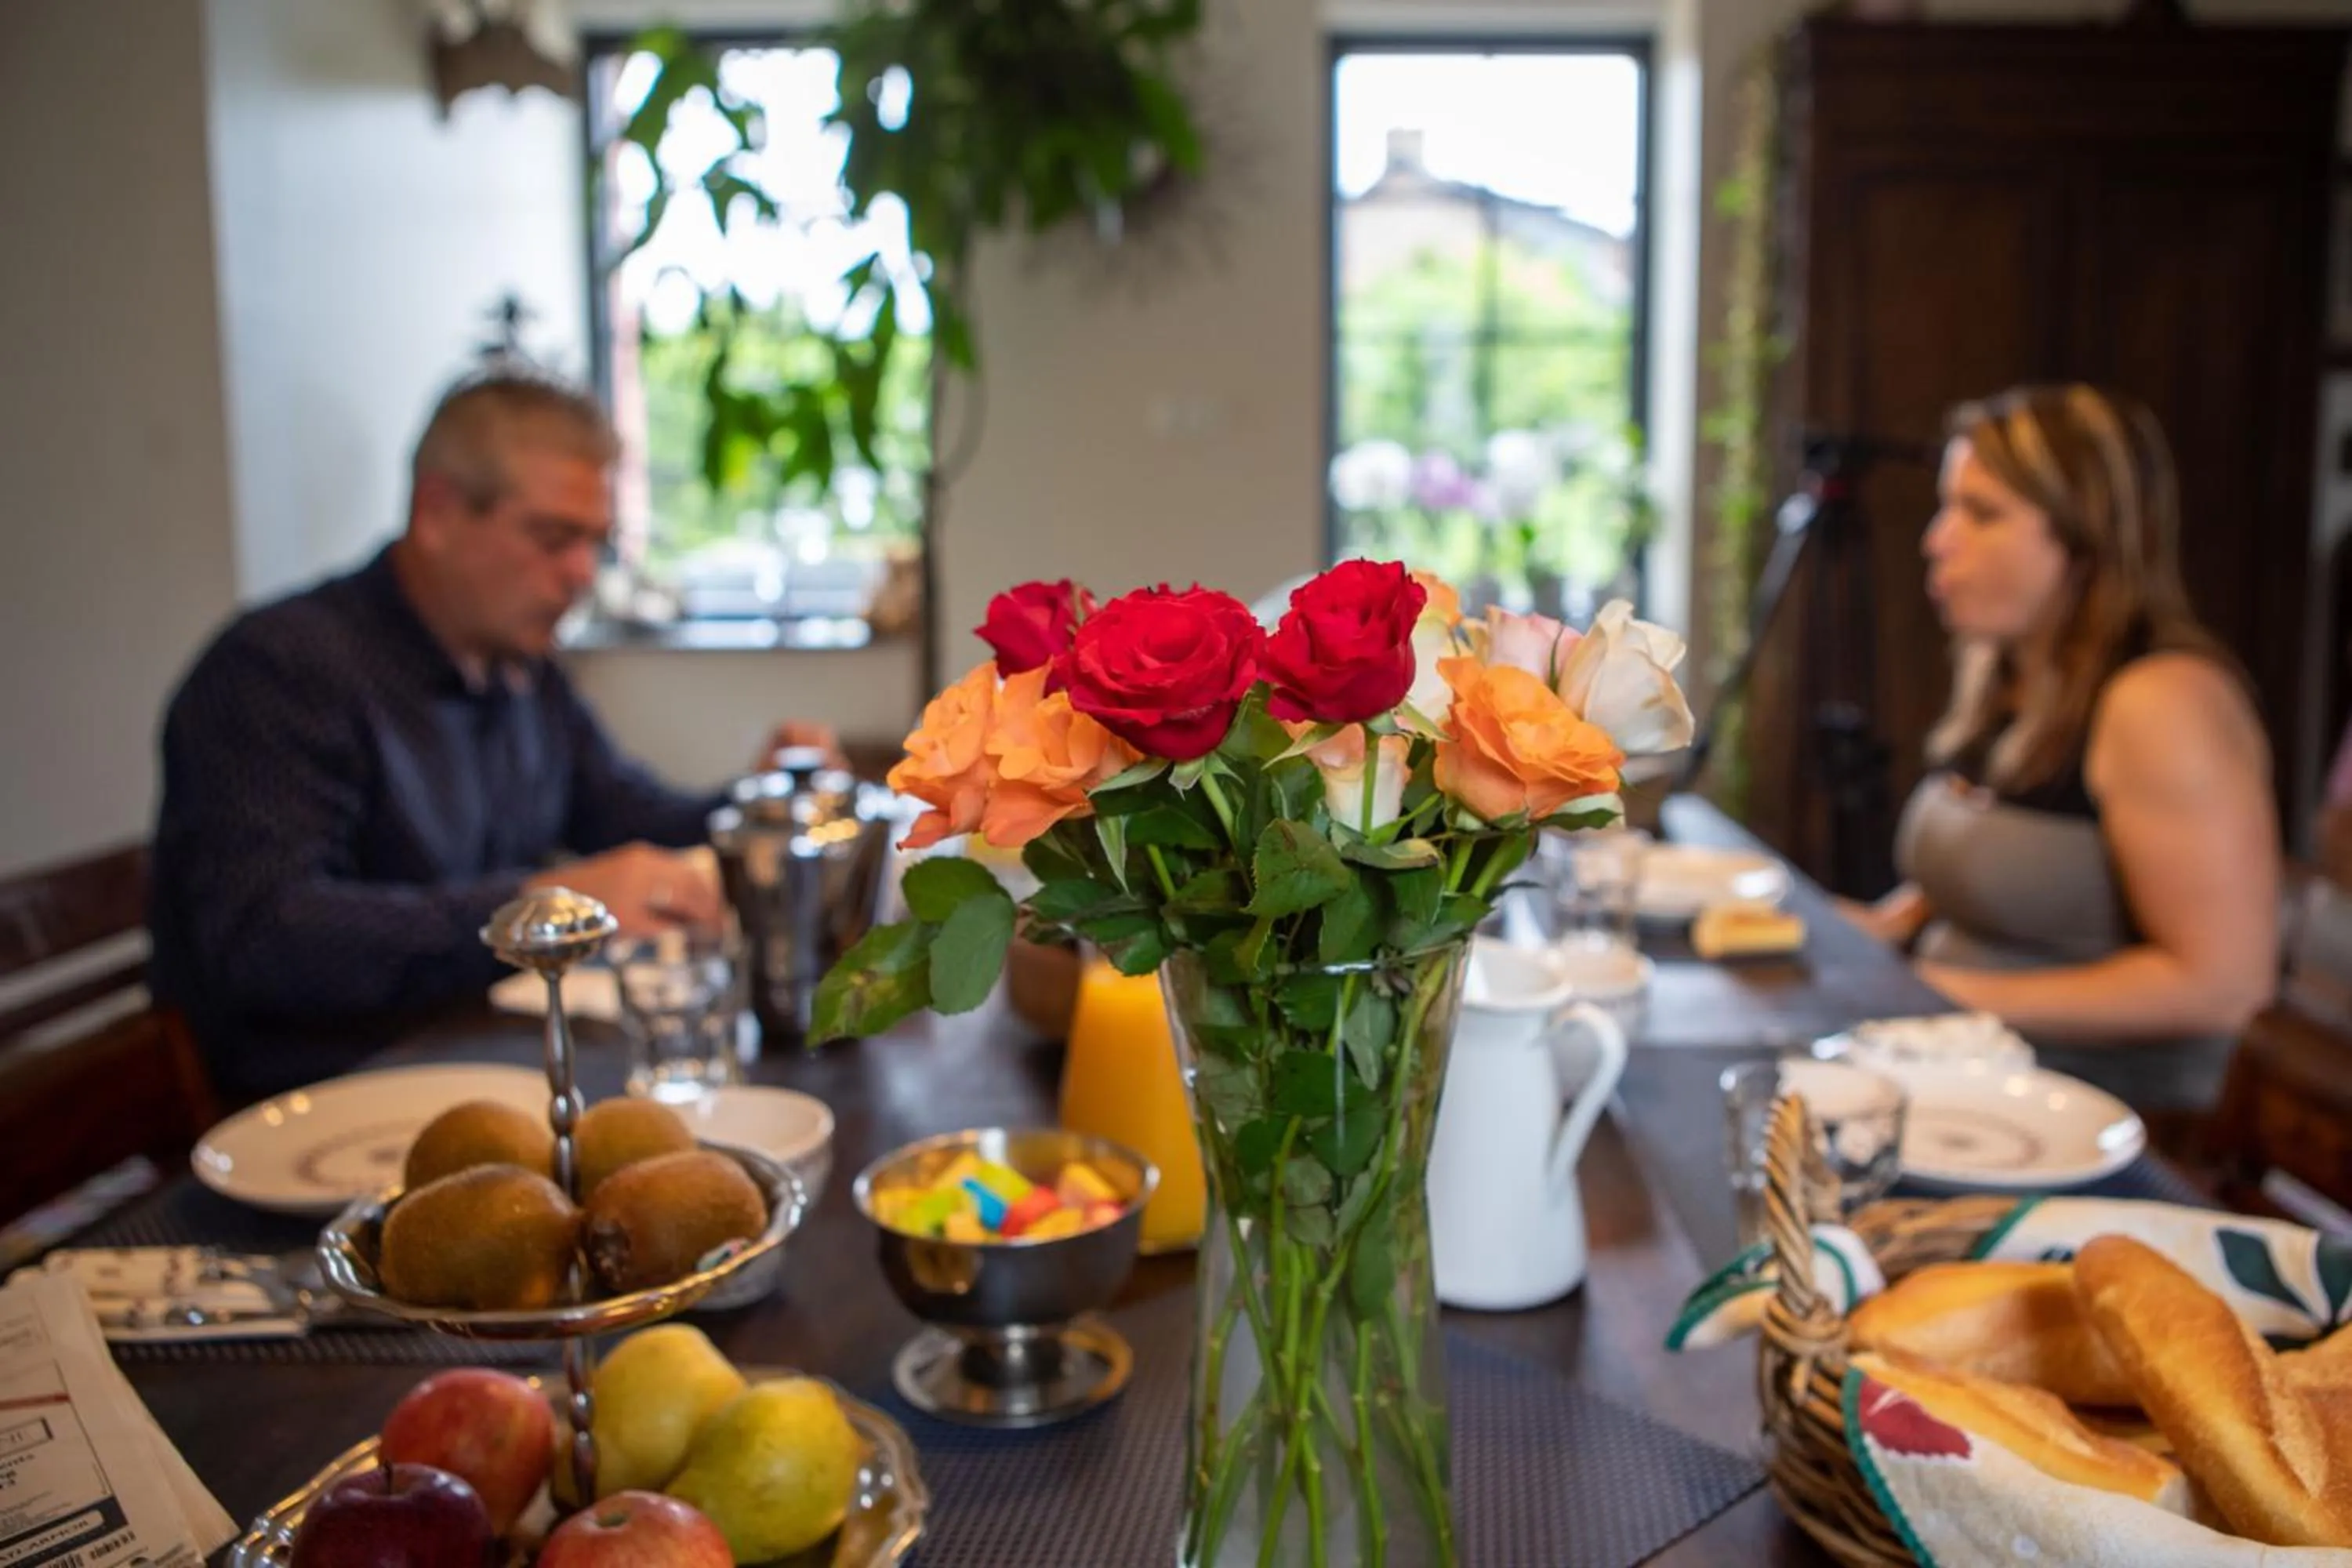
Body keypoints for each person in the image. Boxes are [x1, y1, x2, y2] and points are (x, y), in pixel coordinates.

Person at [150, 368, 827, 1102]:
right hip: (331, 1105)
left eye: (595, 543)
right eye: (552, 537)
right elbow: (267, 936)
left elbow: (630, 815)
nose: (580, 574)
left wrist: (764, 803)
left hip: (489, 1069)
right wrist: (534, 908)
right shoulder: (280, 671)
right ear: (437, 512)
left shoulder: (521, 669)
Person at [1842, 383, 2279, 1112]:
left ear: (2086, 538)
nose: (1936, 539)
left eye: (1980, 513)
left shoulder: (2161, 701)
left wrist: (1939, 995)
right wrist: (1858, 930)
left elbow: (2223, 987)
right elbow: (2004, 879)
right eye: (1948, 506)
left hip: (2101, 1117)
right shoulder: (2008, 676)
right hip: (1961, 1078)